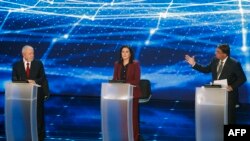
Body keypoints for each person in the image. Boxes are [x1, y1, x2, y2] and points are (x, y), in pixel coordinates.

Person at [185, 44, 246, 124]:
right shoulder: (215, 60)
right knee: (218, 118)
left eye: (218, 52)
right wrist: (194, 64)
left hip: (229, 96)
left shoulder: (234, 64)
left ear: (224, 54)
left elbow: (242, 78)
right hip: (217, 94)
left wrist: (232, 86)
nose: (215, 53)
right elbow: (206, 69)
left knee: (230, 119)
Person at [12, 45, 49, 140]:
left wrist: (45, 91)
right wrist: (27, 81)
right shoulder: (16, 65)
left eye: (33, 53)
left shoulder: (38, 63)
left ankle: (40, 137)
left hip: (37, 95)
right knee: (24, 117)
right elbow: (14, 79)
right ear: (24, 54)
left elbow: (43, 78)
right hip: (23, 96)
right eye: (30, 53)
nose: (32, 55)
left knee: (38, 117)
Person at [113, 45, 141, 140]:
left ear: (130, 54)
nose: (124, 53)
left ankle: (134, 138)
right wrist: (114, 84)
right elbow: (114, 79)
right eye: (123, 52)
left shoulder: (135, 64)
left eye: (126, 51)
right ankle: (123, 137)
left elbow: (136, 81)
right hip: (121, 94)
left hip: (132, 94)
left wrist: (124, 83)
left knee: (133, 119)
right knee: (122, 118)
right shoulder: (117, 64)